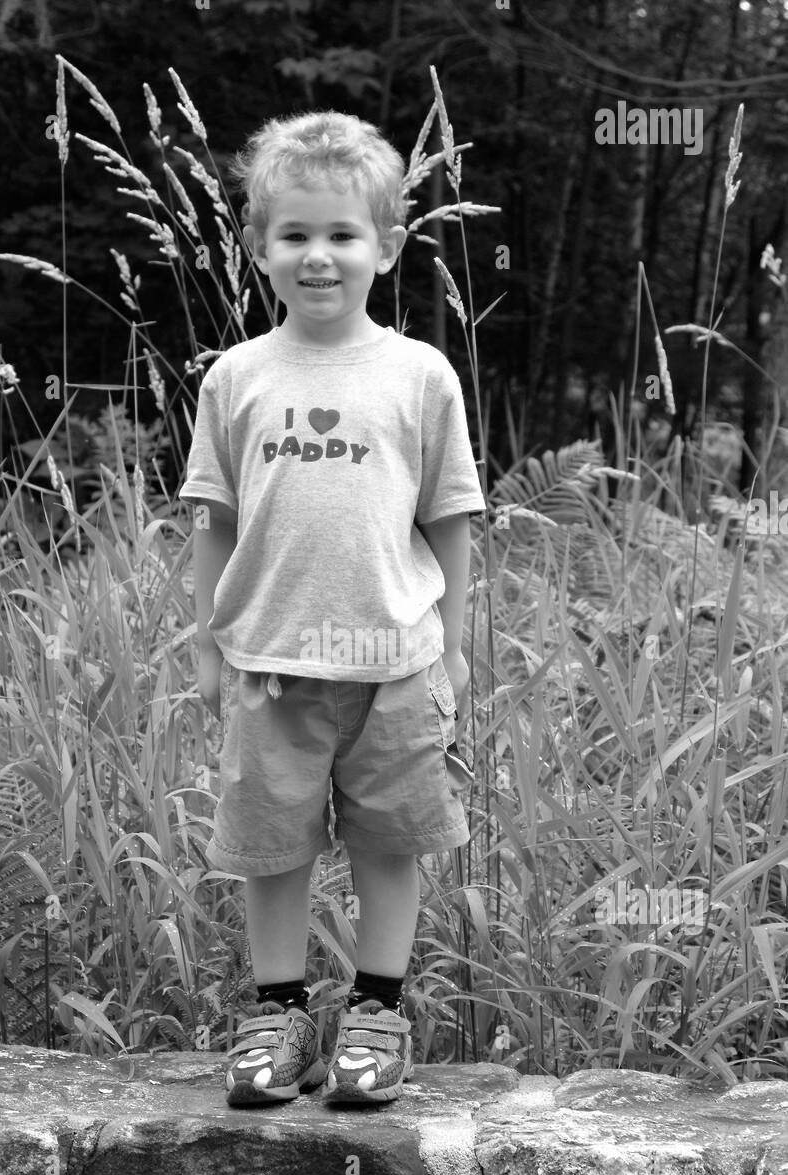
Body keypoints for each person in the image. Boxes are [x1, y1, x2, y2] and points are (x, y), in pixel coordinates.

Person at [180, 109, 484, 1106]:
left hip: (394, 666)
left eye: (343, 234)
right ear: (258, 247)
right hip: (271, 662)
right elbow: (212, 524)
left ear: (387, 246)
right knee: (271, 847)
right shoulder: (235, 377)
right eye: (294, 235)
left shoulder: (419, 374)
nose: (319, 256)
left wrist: (450, 652)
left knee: (388, 843)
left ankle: (377, 1014)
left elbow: (447, 523)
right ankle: (276, 1012)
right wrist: (211, 645)